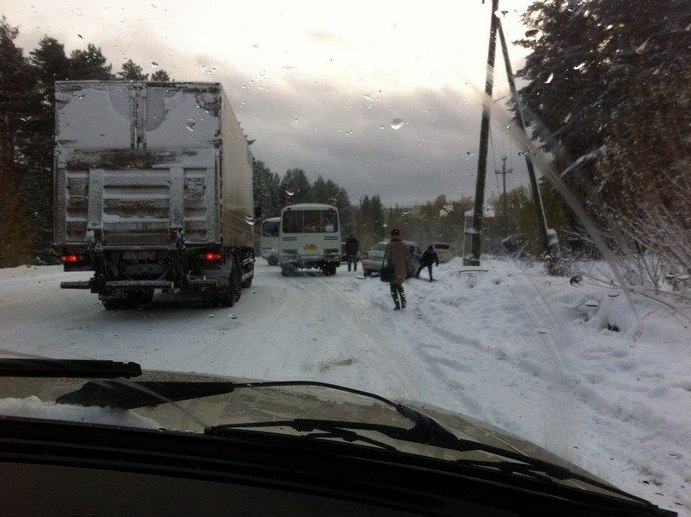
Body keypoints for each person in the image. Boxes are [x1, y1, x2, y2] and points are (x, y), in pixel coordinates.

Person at [384, 228, 413, 310]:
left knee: (393, 287)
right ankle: (403, 301)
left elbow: (386, 258)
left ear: (392, 235)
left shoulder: (389, 245)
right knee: (399, 285)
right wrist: (408, 270)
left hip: (392, 270)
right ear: (399, 235)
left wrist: (385, 268)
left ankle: (397, 305)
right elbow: (408, 259)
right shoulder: (404, 246)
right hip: (401, 270)